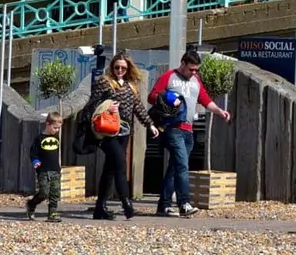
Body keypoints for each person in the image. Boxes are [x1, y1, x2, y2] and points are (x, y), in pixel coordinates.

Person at [149, 50, 232, 217]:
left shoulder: (196, 80)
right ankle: (184, 203)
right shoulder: (169, 76)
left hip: (188, 130)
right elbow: (152, 96)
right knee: (182, 166)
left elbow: (205, 100)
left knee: (175, 167)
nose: (194, 72)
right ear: (183, 64)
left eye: (196, 70)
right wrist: (169, 98)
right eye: (191, 69)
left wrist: (219, 111)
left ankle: (163, 205)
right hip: (173, 128)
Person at [88, 52, 159, 220]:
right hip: (107, 131)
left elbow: (139, 107)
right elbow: (92, 104)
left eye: (123, 68)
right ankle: (126, 203)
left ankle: (100, 208)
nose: (120, 70)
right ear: (112, 67)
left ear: (128, 69)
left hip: (124, 131)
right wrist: (108, 107)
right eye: (117, 67)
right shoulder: (105, 83)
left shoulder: (130, 86)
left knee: (110, 169)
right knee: (120, 163)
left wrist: (150, 125)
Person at [26, 112, 64, 222]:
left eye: (58, 128)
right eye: (55, 128)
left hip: (55, 170)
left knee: (55, 192)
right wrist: (35, 161)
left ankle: (52, 213)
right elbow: (33, 153)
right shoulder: (39, 138)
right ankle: (31, 204)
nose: (57, 130)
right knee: (44, 192)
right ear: (48, 124)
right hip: (43, 170)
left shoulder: (56, 137)